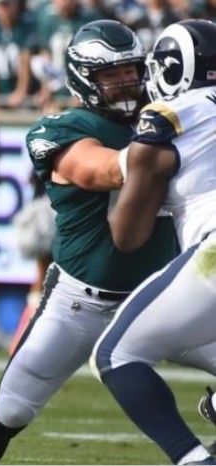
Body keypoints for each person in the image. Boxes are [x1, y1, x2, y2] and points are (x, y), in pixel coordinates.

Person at [0, 19, 184, 465]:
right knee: (11, 410)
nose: (125, 81)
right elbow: (102, 171)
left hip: (162, 298)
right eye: (110, 73)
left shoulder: (168, 115)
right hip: (80, 305)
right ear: (83, 77)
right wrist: (172, 136)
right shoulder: (59, 129)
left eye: (131, 70)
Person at [91, 19, 216, 465]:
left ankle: (193, 461)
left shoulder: (169, 115)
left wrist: (136, 171)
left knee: (116, 354)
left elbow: (128, 236)